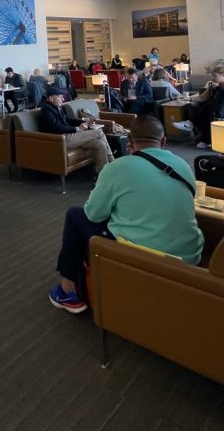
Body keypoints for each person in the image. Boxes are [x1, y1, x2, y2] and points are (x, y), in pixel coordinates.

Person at [48, 115, 204, 313]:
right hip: (190, 254)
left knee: (74, 215)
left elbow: (94, 214)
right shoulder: (182, 165)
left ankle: (66, 290)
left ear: (129, 141)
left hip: (149, 255)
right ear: (163, 141)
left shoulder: (117, 168)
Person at [37, 85, 114, 173]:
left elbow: (67, 120)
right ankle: (112, 161)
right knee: (98, 133)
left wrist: (83, 120)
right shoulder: (46, 110)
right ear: (51, 98)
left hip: (69, 136)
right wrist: (77, 129)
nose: (62, 99)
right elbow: (57, 127)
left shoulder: (56, 107)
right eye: (59, 96)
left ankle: (104, 173)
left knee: (100, 144)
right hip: (60, 139)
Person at [177, 67, 224, 149]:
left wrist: (217, 88)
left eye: (215, 76)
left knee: (209, 106)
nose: (213, 78)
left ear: (223, 75)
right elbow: (202, 97)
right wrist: (189, 98)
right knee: (202, 106)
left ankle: (196, 128)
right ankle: (192, 125)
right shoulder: (214, 85)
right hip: (217, 108)